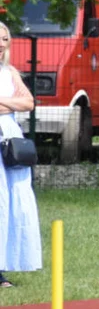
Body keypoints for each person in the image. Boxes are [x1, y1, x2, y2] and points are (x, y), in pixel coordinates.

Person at [0, 21, 41, 289]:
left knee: (9, 204)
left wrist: (3, 104)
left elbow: (28, 102)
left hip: (9, 141)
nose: (2, 43)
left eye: (5, 39)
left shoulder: (10, 72)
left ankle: (0, 270)